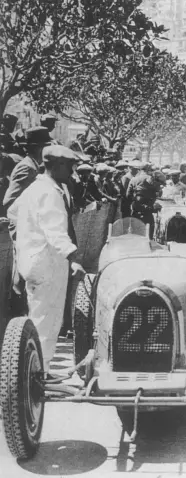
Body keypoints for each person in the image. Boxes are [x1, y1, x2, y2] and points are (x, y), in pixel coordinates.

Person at [7, 145, 85, 375]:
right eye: (70, 166)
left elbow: (13, 212)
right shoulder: (50, 193)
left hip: (33, 260)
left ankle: (36, 370)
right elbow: (55, 231)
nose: (72, 172)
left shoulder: (35, 188)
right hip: (48, 263)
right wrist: (73, 258)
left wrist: (25, 241)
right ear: (58, 165)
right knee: (47, 321)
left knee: (38, 316)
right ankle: (38, 374)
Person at [3, 127, 52, 212]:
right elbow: (10, 202)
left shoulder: (33, 165)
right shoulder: (26, 168)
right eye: (46, 147)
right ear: (38, 148)